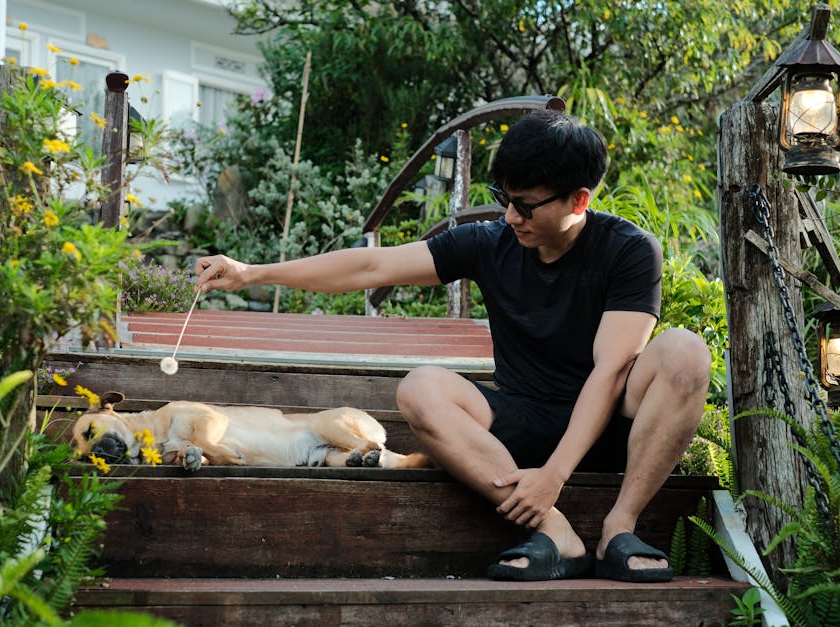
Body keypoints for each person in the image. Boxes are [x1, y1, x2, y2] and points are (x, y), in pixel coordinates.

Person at [194, 108, 710, 583]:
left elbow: (612, 370)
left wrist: (556, 474)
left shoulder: (628, 250)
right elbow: (374, 265)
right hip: (516, 431)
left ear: (579, 200)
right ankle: (556, 533)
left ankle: (620, 524)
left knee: (685, 351)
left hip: (607, 427)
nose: (511, 216)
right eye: (505, 197)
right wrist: (251, 272)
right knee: (422, 388)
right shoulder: (490, 242)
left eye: (526, 205)